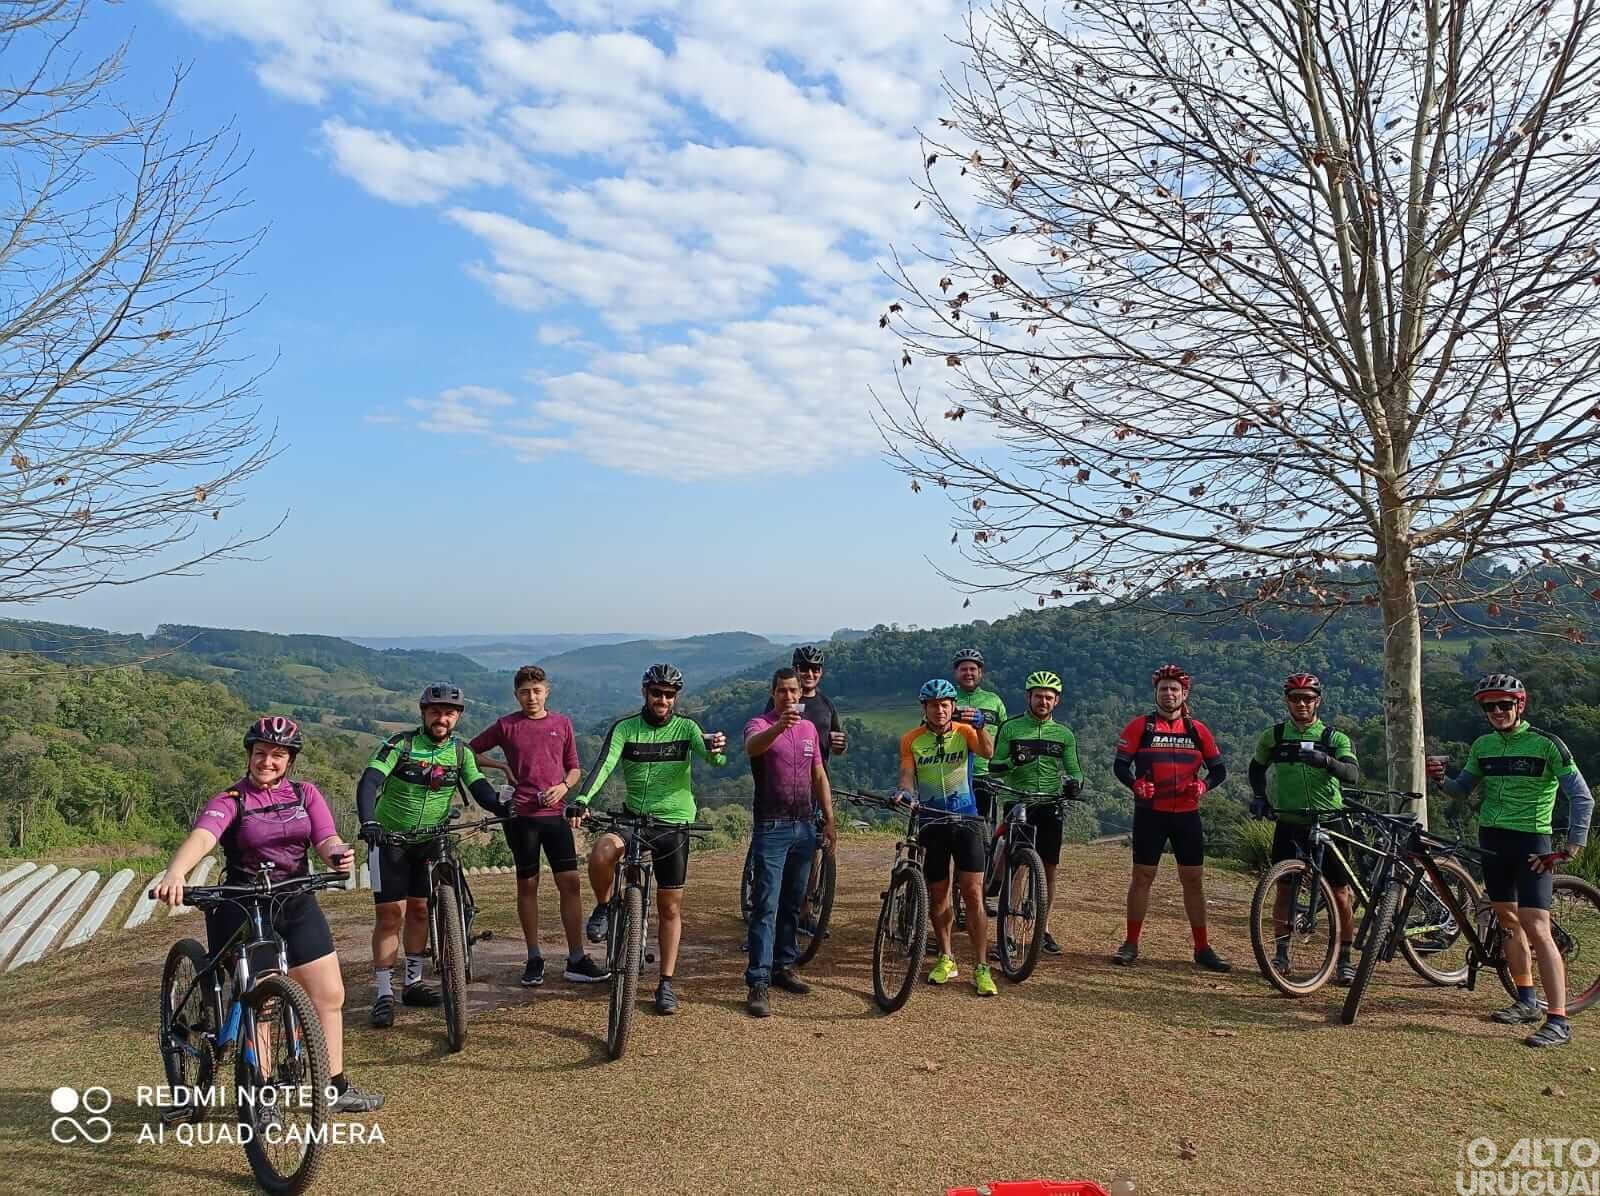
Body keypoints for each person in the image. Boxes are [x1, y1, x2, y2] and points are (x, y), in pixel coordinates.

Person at [153, 716, 382, 1114]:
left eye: (278, 755)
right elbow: (204, 836)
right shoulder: (231, 799)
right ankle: (261, 1095)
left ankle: (334, 1087)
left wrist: (335, 854)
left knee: (329, 995)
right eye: (261, 753)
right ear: (249, 755)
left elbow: (324, 836)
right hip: (241, 905)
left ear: (290, 760)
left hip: (293, 899)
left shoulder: (305, 794)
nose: (267, 761)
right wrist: (177, 872)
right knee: (264, 1003)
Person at [1428, 673, 1594, 1047]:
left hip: (1533, 841)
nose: (1497, 711)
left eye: (1505, 704)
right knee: (1507, 920)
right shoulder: (1483, 746)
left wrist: (1572, 846)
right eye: (1490, 706)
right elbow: (1461, 791)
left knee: (1537, 925)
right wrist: (1440, 780)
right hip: (1492, 839)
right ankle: (1526, 1000)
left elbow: (1582, 798)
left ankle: (1559, 1021)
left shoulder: (1548, 745)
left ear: (1521, 704)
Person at [568, 664, 727, 1015]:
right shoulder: (626, 728)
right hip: (632, 818)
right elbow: (604, 765)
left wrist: (716, 749)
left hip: (674, 823)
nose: (663, 700)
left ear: (676, 698)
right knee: (601, 853)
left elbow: (715, 761)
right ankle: (605, 905)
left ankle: (666, 983)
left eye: (669, 695)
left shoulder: (687, 728)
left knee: (670, 907)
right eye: (657, 693)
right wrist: (582, 800)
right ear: (645, 693)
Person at [356, 684, 509, 1029]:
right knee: (390, 915)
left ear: (457, 717)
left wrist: (502, 806)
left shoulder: (460, 752)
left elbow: (479, 785)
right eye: (435, 712)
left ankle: (412, 984)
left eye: (449, 713)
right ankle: (383, 992)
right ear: (424, 713)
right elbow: (369, 781)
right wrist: (369, 821)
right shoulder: (401, 745)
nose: (442, 718)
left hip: (433, 838)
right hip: (390, 838)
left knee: (422, 910)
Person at [470, 665, 606, 987]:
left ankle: (576, 958)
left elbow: (574, 768)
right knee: (527, 887)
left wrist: (563, 787)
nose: (531, 697)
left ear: (547, 691)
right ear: (516, 694)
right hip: (522, 819)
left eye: (536, 690)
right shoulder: (506, 726)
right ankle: (533, 956)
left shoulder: (562, 723)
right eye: (524, 692)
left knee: (570, 884)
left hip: (555, 817)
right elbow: (468, 752)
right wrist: (502, 765)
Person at [1111, 663, 1231, 971]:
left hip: (1187, 815)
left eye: (1174, 689)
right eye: (1163, 689)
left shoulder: (1197, 730)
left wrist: (1203, 785)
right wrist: (1134, 784)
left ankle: (1202, 947)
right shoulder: (1141, 726)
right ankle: (1131, 943)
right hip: (1150, 814)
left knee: (1193, 881)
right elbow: (1120, 766)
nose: (1168, 694)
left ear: (1184, 694)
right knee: (1142, 878)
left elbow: (1219, 769)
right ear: (1156, 693)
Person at [1248, 673, 1362, 984]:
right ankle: (1281, 955)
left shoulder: (1334, 737)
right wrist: (1259, 797)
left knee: (1340, 893)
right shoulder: (1273, 736)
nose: (1301, 703)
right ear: (1286, 700)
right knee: (1284, 889)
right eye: (1295, 698)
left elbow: (1352, 774)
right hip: (1290, 822)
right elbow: (1256, 767)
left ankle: (1345, 960)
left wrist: (1326, 761)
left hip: (1329, 822)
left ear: (1318, 701)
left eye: (1308, 698)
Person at [743, 668, 838, 1016]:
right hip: (772, 826)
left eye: (793, 691)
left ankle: (784, 966)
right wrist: (778, 726)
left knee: (793, 902)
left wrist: (829, 820)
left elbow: (818, 774)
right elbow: (752, 747)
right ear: (773, 693)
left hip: (804, 825)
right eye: (781, 690)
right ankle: (758, 980)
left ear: (801, 694)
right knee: (766, 903)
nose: (788, 696)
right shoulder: (758, 723)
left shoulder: (810, 728)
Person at [897, 678, 998, 996]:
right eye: (932, 705)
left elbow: (988, 751)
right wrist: (903, 792)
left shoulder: (965, 732)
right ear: (924, 708)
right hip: (931, 822)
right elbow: (906, 777)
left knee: (972, 894)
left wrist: (981, 726)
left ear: (953, 707)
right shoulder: (911, 740)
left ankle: (982, 966)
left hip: (966, 819)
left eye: (945, 705)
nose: (939, 710)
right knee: (938, 894)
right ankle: (946, 957)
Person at [988, 670, 1083, 955]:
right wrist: (1013, 762)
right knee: (1018, 868)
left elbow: (1075, 769)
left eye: (1049, 697)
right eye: (1038, 696)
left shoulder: (1063, 734)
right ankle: (1008, 934)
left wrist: (1075, 785)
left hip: (1050, 803)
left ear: (1057, 701)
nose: (1043, 701)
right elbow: (994, 765)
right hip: (1018, 802)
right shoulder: (1011, 728)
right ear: (1028, 697)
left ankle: (1042, 928)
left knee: (1049, 870)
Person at [952, 647, 1007, 812]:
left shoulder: (994, 701)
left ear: (980, 672)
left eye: (972, 669)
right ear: (956, 672)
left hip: (985, 775)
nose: (968, 673)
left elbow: (1006, 737)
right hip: (953, 773)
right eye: (963, 669)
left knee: (982, 827)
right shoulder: (947, 699)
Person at [771, 645, 848, 762]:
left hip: (818, 776)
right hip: (787, 774)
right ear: (794, 670)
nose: (810, 674)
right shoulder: (782, 701)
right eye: (804, 668)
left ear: (821, 672)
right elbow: (766, 734)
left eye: (815, 669)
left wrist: (840, 746)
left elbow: (836, 745)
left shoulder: (827, 705)